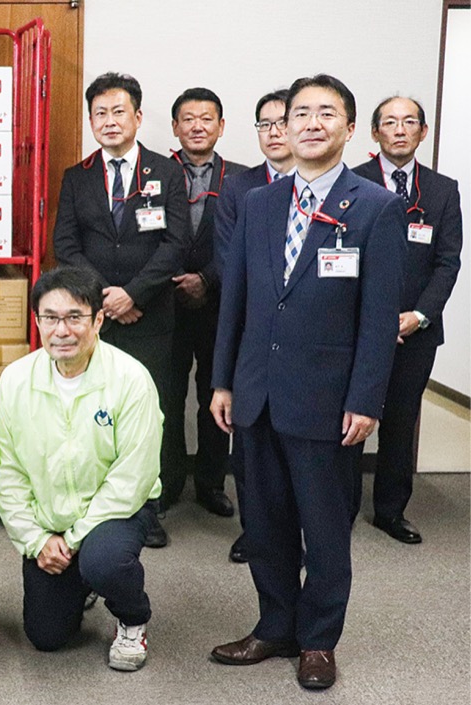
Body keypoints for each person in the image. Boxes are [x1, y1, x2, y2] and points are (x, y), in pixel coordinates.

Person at [209, 74, 405, 691]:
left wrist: (366, 399)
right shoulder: (259, 203)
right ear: (284, 126)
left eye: (326, 113)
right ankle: (274, 625)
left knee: (324, 531)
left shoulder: (376, 207)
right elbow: (236, 301)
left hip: (327, 400)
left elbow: (379, 317)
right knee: (263, 525)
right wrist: (223, 381)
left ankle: (318, 639)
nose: (311, 124)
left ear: (349, 128)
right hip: (256, 394)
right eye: (300, 113)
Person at [0, 266, 162, 672]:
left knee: (104, 561)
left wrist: (72, 540)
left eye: (75, 317)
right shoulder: (15, 380)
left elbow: (133, 477)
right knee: (46, 636)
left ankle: (132, 618)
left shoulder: (130, 379)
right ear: (37, 321)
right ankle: (83, 581)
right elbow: (8, 472)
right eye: (50, 318)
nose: (62, 330)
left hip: (119, 512)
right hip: (50, 520)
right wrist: (36, 540)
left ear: (98, 320)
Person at [52, 72, 189, 548]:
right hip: (96, 321)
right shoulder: (78, 176)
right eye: (99, 114)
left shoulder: (167, 172)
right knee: (96, 412)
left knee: (149, 413)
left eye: (118, 112)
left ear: (137, 116)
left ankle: (150, 508)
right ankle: (94, 503)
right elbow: (66, 245)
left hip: (150, 317)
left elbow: (176, 243)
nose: (109, 121)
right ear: (91, 121)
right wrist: (107, 298)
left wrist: (134, 294)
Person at [351, 96, 463, 544]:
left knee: (400, 421)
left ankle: (391, 510)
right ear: (374, 132)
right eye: (390, 122)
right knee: (349, 416)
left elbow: (448, 262)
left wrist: (418, 316)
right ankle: (340, 505)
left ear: (423, 132)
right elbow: (339, 256)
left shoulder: (442, 190)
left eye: (409, 122)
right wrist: (371, 319)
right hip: (357, 330)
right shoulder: (351, 182)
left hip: (415, 331)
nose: (400, 129)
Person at [212, 89, 296, 563]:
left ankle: (295, 534)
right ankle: (254, 531)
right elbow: (231, 264)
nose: (274, 132)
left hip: (303, 339)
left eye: (283, 121)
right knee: (249, 447)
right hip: (252, 332)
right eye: (265, 124)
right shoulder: (240, 187)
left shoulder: (331, 190)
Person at [165, 87, 247, 519]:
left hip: (220, 306)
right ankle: (168, 481)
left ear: (221, 126)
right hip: (165, 304)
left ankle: (211, 483)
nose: (197, 126)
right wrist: (175, 278)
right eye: (188, 119)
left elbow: (243, 246)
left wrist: (207, 279)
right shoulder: (155, 173)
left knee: (216, 395)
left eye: (206, 118)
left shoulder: (242, 180)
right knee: (166, 398)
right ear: (175, 127)